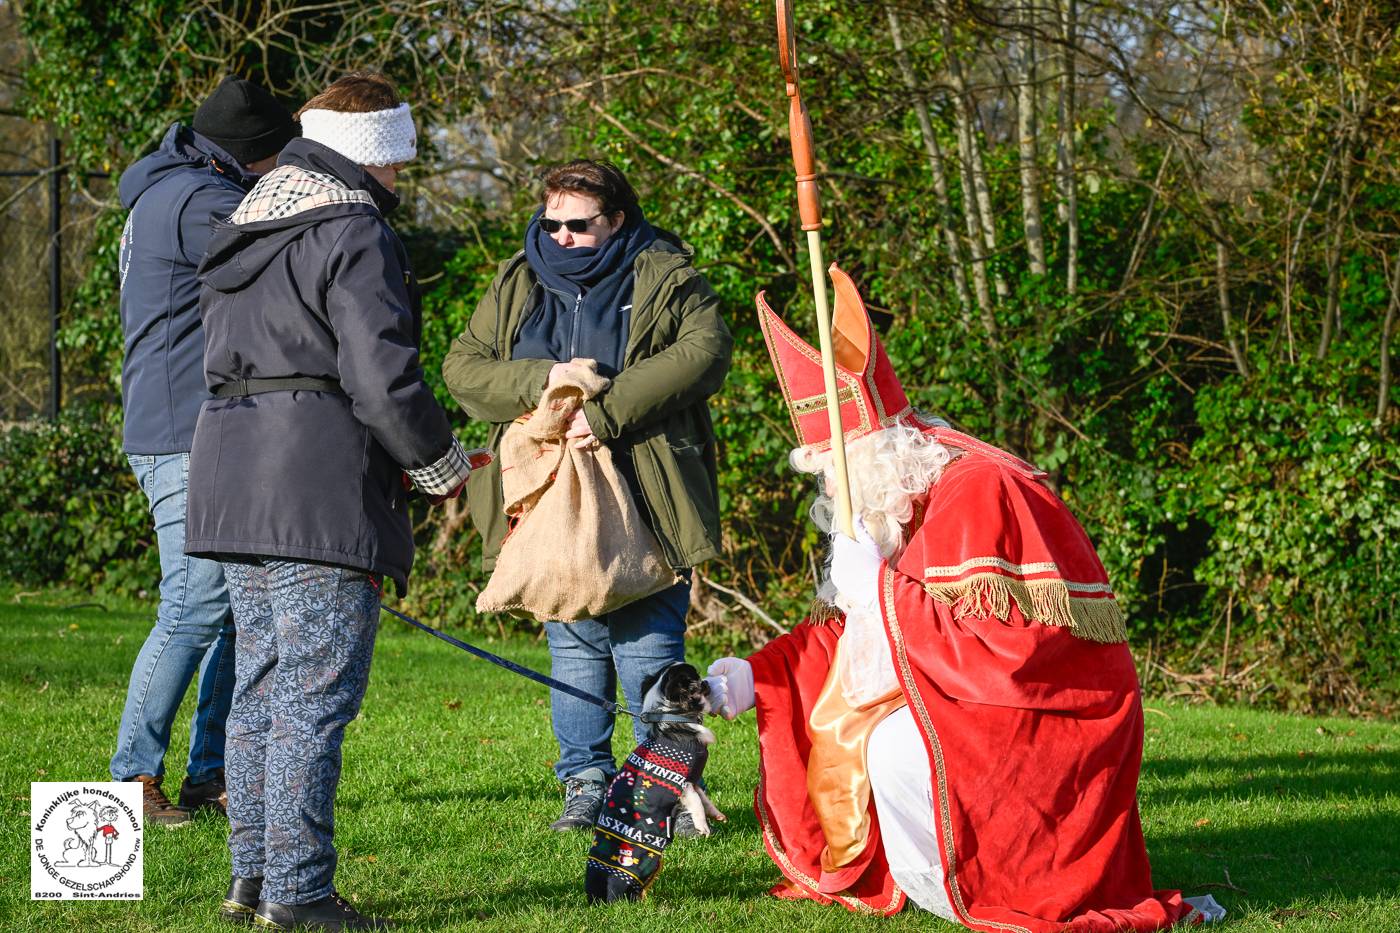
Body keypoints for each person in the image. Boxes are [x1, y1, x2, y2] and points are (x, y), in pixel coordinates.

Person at [705, 267, 1225, 931]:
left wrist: (883, 590)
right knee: (877, 733)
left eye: (836, 473)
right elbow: (858, 639)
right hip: (1001, 702)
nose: (832, 494)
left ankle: (968, 882)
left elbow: (1011, 652)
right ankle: (932, 880)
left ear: (876, 455)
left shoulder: (981, 490)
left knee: (895, 742)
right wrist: (757, 674)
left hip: (1052, 712)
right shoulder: (901, 505)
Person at [186, 72, 472, 931]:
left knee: (263, 689)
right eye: (397, 166)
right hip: (313, 483)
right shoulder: (351, 227)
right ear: (372, 155)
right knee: (312, 694)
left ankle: (252, 878)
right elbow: (382, 381)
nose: (400, 183)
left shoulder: (244, 221)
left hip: (232, 474)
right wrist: (441, 464)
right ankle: (300, 891)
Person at [442, 160, 732, 834]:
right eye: (554, 224)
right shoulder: (519, 277)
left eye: (582, 224)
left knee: (651, 649)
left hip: (648, 488)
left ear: (617, 220)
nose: (564, 236)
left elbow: (704, 349)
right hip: (548, 499)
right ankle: (585, 783)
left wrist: (605, 410)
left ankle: (666, 789)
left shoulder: (663, 271)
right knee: (574, 651)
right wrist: (544, 380)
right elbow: (463, 367)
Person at [114, 74, 297, 825]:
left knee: (230, 607)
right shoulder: (200, 201)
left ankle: (210, 774)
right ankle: (132, 776)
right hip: (180, 431)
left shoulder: (175, 188)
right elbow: (285, 256)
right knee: (195, 604)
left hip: (199, 428)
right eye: (276, 158)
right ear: (250, 155)